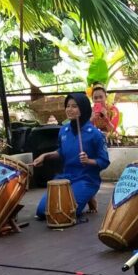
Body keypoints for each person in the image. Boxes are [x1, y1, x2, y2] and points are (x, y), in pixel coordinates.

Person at [32, 93, 110, 221]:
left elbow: (104, 161)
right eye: (67, 106)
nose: (70, 109)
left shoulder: (95, 134)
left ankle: (88, 194)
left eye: (74, 106)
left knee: (66, 212)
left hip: (87, 178)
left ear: (83, 108)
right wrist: (45, 156)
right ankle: (86, 197)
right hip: (66, 178)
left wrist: (88, 160)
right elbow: (61, 151)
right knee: (42, 211)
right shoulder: (64, 130)